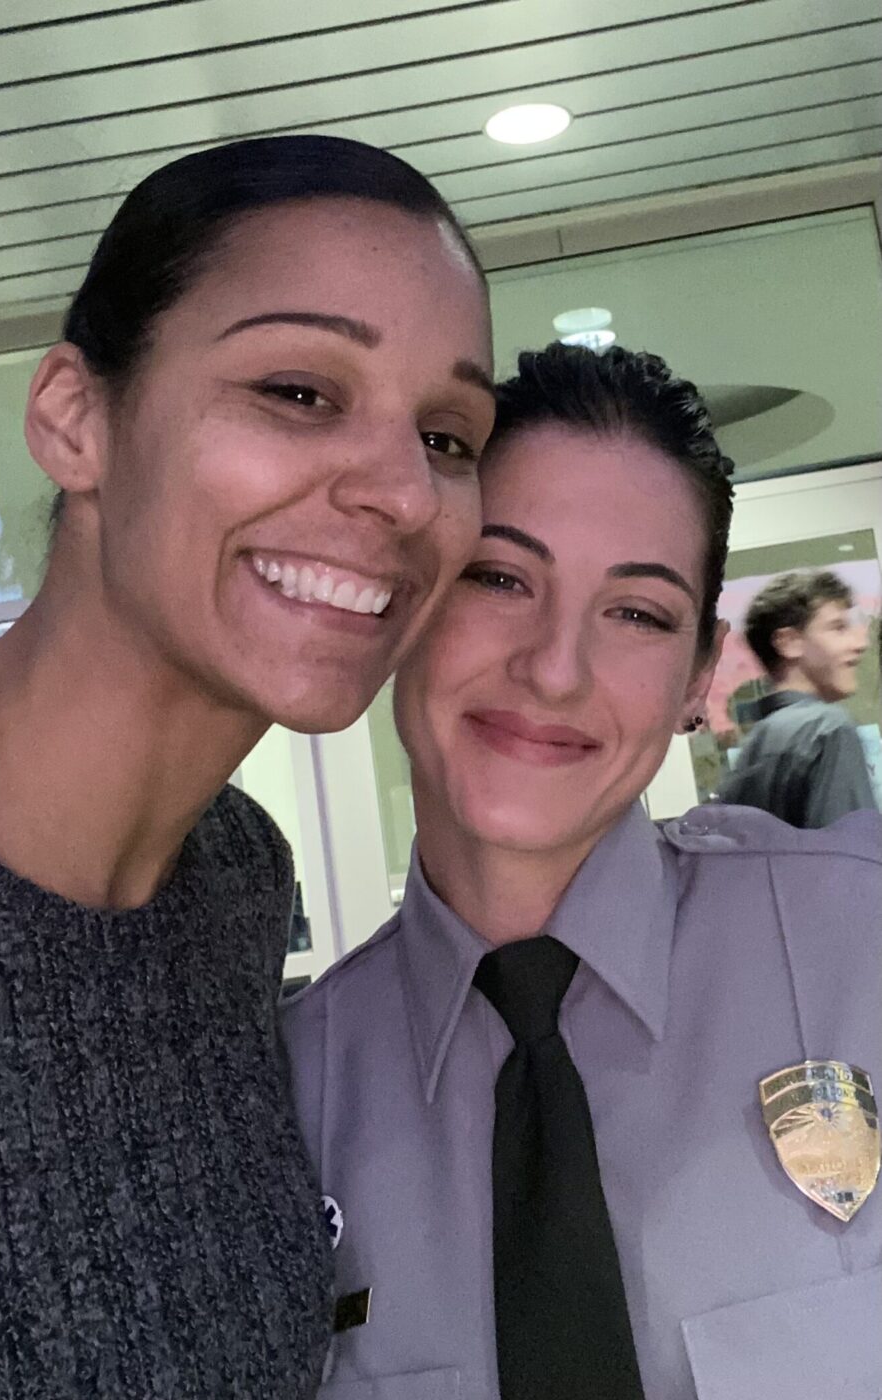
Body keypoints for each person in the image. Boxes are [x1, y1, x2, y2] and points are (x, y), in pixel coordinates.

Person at [0, 135, 495, 1399]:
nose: (406, 493)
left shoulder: (236, 881)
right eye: (300, 392)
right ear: (75, 418)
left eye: (449, 433)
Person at [284, 343, 882, 1400]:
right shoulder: (289, 1093)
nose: (553, 666)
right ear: (407, 606)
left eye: (637, 612)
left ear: (697, 674)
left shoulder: (860, 939)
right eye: (499, 577)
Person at [719, 569, 875, 825]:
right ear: (789, 642)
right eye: (838, 628)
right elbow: (848, 858)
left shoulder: (756, 743)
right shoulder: (827, 729)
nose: (859, 645)